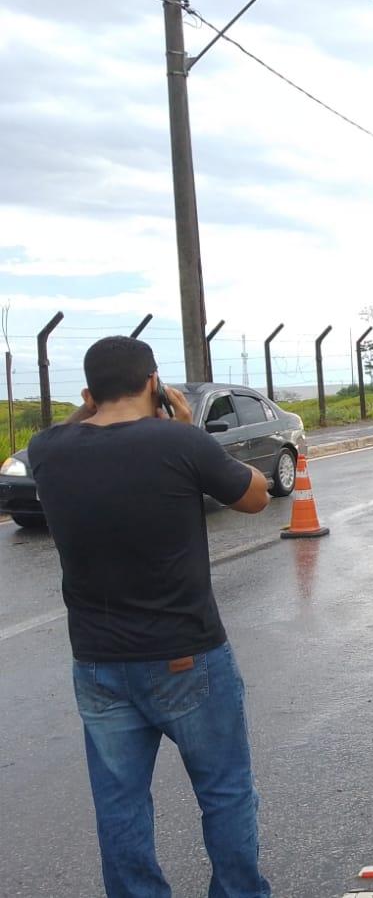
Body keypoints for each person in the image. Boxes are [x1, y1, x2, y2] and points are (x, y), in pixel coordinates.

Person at [27, 336, 273, 897]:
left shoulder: (46, 449)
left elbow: (73, 429)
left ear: (88, 393)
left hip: (97, 664)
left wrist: (95, 409)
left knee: (120, 804)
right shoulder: (180, 441)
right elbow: (256, 497)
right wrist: (186, 427)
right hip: (188, 655)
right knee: (225, 792)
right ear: (154, 382)